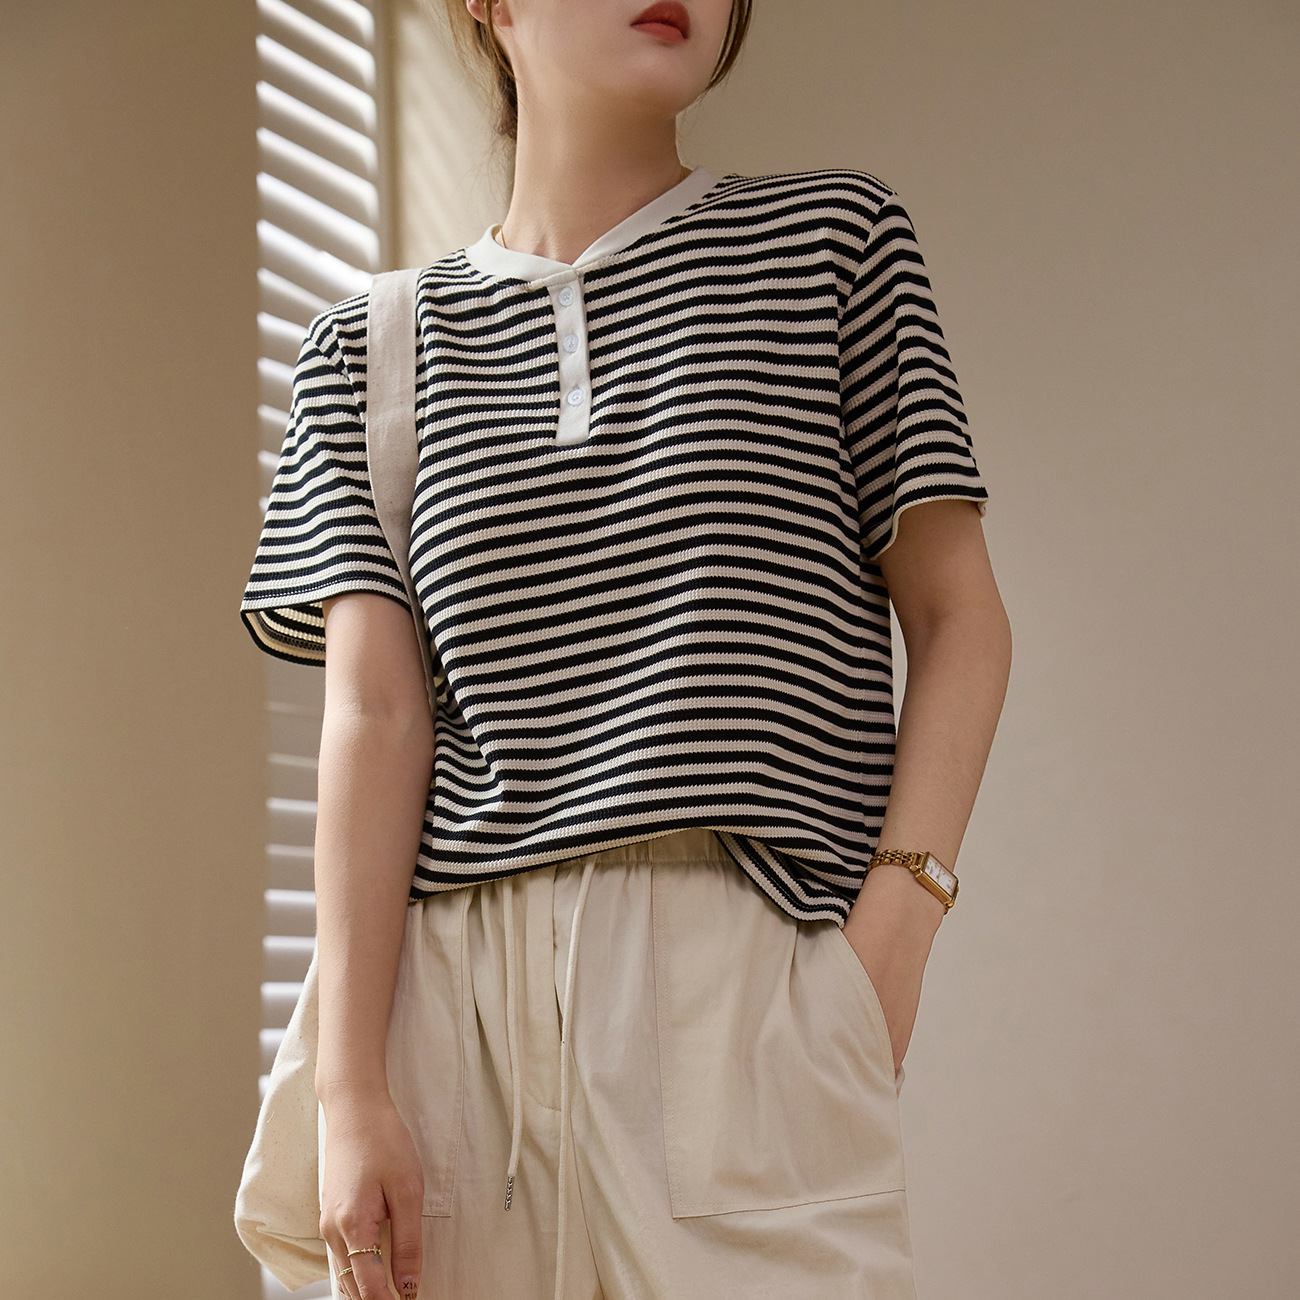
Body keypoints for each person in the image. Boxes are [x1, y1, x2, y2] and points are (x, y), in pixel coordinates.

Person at [238, 1, 1013, 1296]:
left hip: (739, 992)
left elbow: (958, 618)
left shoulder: (829, 246)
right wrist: (350, 1090)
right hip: (451, 1018)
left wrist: (892, 938)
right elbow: (375, 717)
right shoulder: (367, 350)